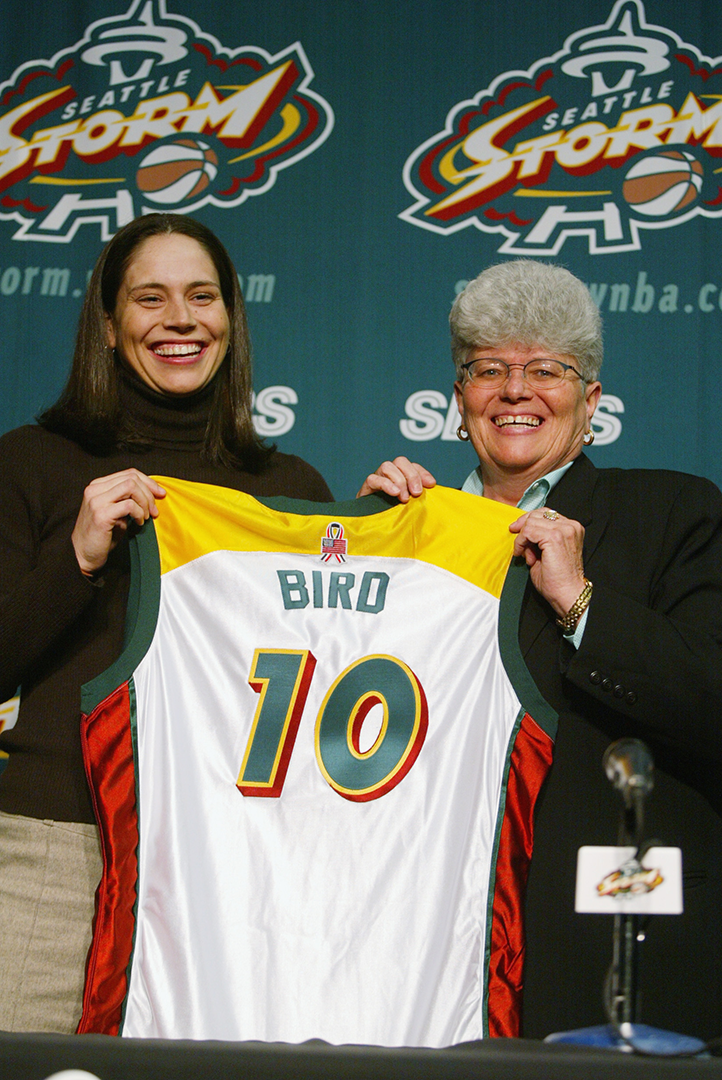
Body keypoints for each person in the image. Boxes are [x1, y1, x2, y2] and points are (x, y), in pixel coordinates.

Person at [358, 259, 722, 1042]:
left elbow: (710, 695)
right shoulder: (408, 528)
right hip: (420, 945)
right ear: (460, 400)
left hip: (594, 954)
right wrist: (361, 556)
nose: (515, 390)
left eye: (547, 369)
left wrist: (581, 602)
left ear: (590, 401)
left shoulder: (673, 512)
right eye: (489, 368)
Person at [0, 213, 332, 1034]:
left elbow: (332, 668)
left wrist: (389, 538)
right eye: (151, 299)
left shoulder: (288, 485)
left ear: (230, 319)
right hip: (60, 839)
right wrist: (75, 559)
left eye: (202, 296)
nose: (180, 319)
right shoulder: (34, 462)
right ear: (109, 328)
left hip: (226, 856)